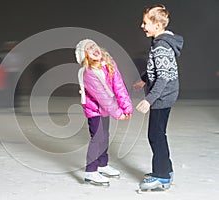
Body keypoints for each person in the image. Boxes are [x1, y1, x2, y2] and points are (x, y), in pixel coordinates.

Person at [133, 4, 184, 191]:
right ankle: (166, 170)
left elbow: (163, 77)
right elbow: (157, 69)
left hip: (163, 96)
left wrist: (148, 100)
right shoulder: (159, 43)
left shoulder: (162, 46)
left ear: (156, 25)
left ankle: (161, 176)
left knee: (155, 135)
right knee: (158, 134)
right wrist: (144, 80)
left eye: (145, 22)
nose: (142, 26)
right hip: (165, 94)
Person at [75, 39, 133, 186]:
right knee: (97, 137)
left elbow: (118, 85)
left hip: (106, 109)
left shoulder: (108, 64)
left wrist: (127, 108)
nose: (93, 48)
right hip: (94, 109)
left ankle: (102, 164)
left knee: (105, 135)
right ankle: (91, 171)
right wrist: (119, 113)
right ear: (84, 56)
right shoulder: (88, 72)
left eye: (93, 45)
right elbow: (103, 97)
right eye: (88, 48)